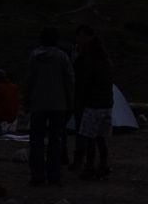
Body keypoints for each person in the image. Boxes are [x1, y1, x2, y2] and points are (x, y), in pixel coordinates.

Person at [22, 27, 74, 186]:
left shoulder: (34, 57)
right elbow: (69, 81)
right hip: (59, 104)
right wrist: (70, 102)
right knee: (55, 140)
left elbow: (29, 80)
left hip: (38, 104)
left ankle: (37, 175)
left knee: (36, 140)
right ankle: (54, 175)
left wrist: (26, 100)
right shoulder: (62, 57)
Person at [73, 26, 114, 180]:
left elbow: (83, 81)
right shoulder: (106, 60)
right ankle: (103, 165)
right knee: (101, 137)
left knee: (89, 137)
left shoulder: (88, 59)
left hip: (92, 104)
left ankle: (89, 167)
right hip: (107, 104)